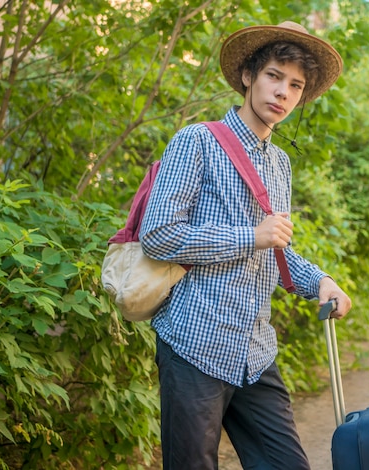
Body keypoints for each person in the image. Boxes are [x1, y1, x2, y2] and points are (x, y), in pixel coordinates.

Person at [139, 21, 352, 469]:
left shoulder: (281, 164)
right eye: (274, 76)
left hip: (254, 350)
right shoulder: (196, 141)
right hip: (195, 341)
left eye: (295, 85)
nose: (283, 92)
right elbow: (157, 236)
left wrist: (321, 281)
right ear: (248, 76)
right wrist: (248, 236)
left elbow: (275, 249)